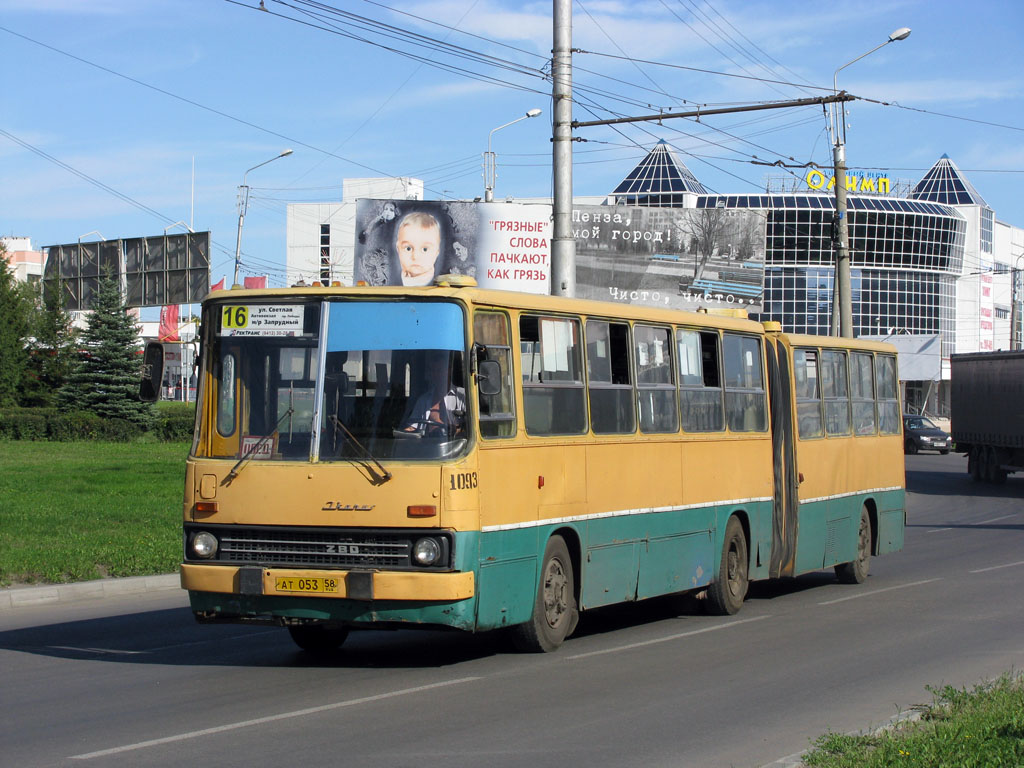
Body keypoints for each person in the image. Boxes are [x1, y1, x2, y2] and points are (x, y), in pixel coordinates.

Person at [398, 352, 466, 438]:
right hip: (427, 446)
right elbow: (412, 427)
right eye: (434, 371)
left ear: (449, 371)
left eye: (440, 370)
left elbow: (469, 429)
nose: (437, 375)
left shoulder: (462, 396)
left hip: (455, 447)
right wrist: (401, 434)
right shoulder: (423, 400)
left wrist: (456, 430)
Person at [395, 211, 442, 286]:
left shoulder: (441, 285)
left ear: (437, 252)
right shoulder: (391, 282)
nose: (415, 257)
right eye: (408, 248)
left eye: (425, 249)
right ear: (398, 249)